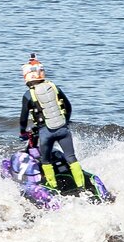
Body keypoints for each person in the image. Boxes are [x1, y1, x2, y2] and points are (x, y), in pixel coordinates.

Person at [18, 53, 85, 190]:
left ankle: (52, 187)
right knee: (71, 158)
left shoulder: (27, 95)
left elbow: (23, 118)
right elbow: (68, 106)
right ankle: (81, 186)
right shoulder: (54, 88)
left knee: (45, 160)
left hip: (45, 133)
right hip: (63, 130)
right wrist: (65, 121)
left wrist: (22, 132)